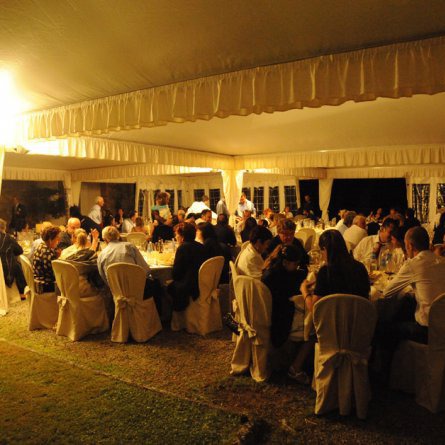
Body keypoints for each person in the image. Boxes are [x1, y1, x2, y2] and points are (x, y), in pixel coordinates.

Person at [383, 227, 445, 343]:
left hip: (428, 331)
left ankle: (398, 360)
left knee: (384, 328)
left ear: (410, 246)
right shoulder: (441, 261)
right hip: (442, 325)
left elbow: (387, 292)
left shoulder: (413, 264)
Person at [262, 244, 308, 349]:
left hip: (269, 311)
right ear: (285, 262)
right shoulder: (278, 277)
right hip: (279, 315)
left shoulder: (272, 269)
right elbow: (289, 295)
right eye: (296, 264)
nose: (297, 266)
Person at [97, 226, 154, 300]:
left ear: (104, 239)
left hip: (117, 295)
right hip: (138, 292)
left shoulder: (101, 255)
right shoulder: (129, 247)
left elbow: (104, 278)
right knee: (157, 284)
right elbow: (146, 270)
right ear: (118, 235)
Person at [167, 223, 205, 311]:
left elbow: (176, 275)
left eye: (177, 234)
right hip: (201, 284)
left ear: (182, 236)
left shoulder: (182, 248)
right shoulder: (201, 246)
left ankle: (175, 317)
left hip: (188, 287)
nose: (176, 237)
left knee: (167, 287)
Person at [60, 228, 102, 298]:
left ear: (73, 238)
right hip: (85, 290)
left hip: (66, 288)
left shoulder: (64, 252)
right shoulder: (90, 254)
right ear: (86, 239)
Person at [0, 218, 26, 298]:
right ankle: (23, 293)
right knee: (16, 264)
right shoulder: (8, 238)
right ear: (4, 227)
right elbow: (20, 251)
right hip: (4, 268)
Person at [33, 226, 61, 293]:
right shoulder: (47, 253)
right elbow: (55, 274)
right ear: (50, 239)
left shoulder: (41, 246)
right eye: (57, 237)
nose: (59, 240)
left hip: (39, 281)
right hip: (45, 285)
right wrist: (59, 259)